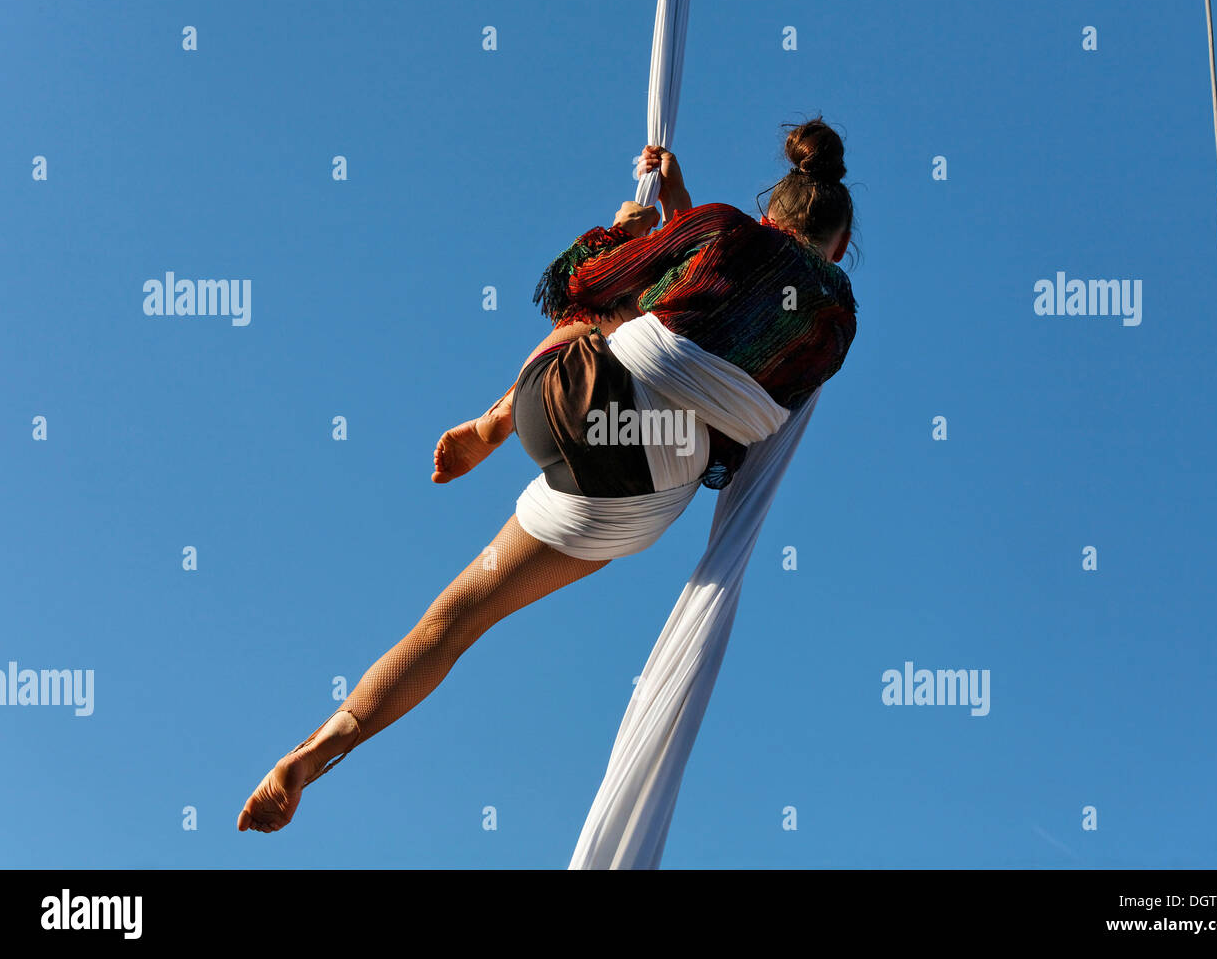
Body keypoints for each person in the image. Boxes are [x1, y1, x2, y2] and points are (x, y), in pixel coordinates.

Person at [238, 117, 858, 834]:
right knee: (468, 620)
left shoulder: (726, 231)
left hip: (570, 402)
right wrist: (679, 221)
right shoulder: (836, 321)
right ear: (841, 246)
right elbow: (727, 324)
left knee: (603, 304)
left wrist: (624, 231)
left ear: (767, 210)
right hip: (642, 490)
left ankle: (492, 425)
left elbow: (583, 282)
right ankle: (323, 753)